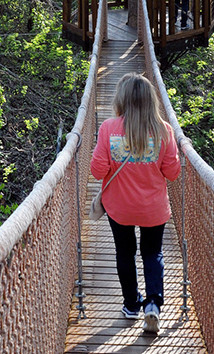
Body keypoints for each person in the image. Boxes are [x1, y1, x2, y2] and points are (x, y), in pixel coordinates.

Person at [90, 73, 181, 334]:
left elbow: (97, 171)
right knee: (152, 253)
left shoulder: (108, 128)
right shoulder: (165, 130)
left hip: (119, 209)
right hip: (153, 209)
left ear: (122, 99)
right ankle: (152, 304)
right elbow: (172, 173)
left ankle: (131, 305)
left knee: (124, 252)